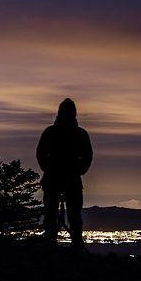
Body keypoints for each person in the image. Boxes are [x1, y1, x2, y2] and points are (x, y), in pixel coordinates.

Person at [36, 98, 93, 247]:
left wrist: (47, 168)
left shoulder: (52, 132)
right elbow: (87, 155)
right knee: (60, 214)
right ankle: (65, 244)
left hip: (62, 178)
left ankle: (64, 244)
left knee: (65, 214)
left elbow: (41, 153)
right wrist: (79, 170)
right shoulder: (79, 133)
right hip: (63, 178)